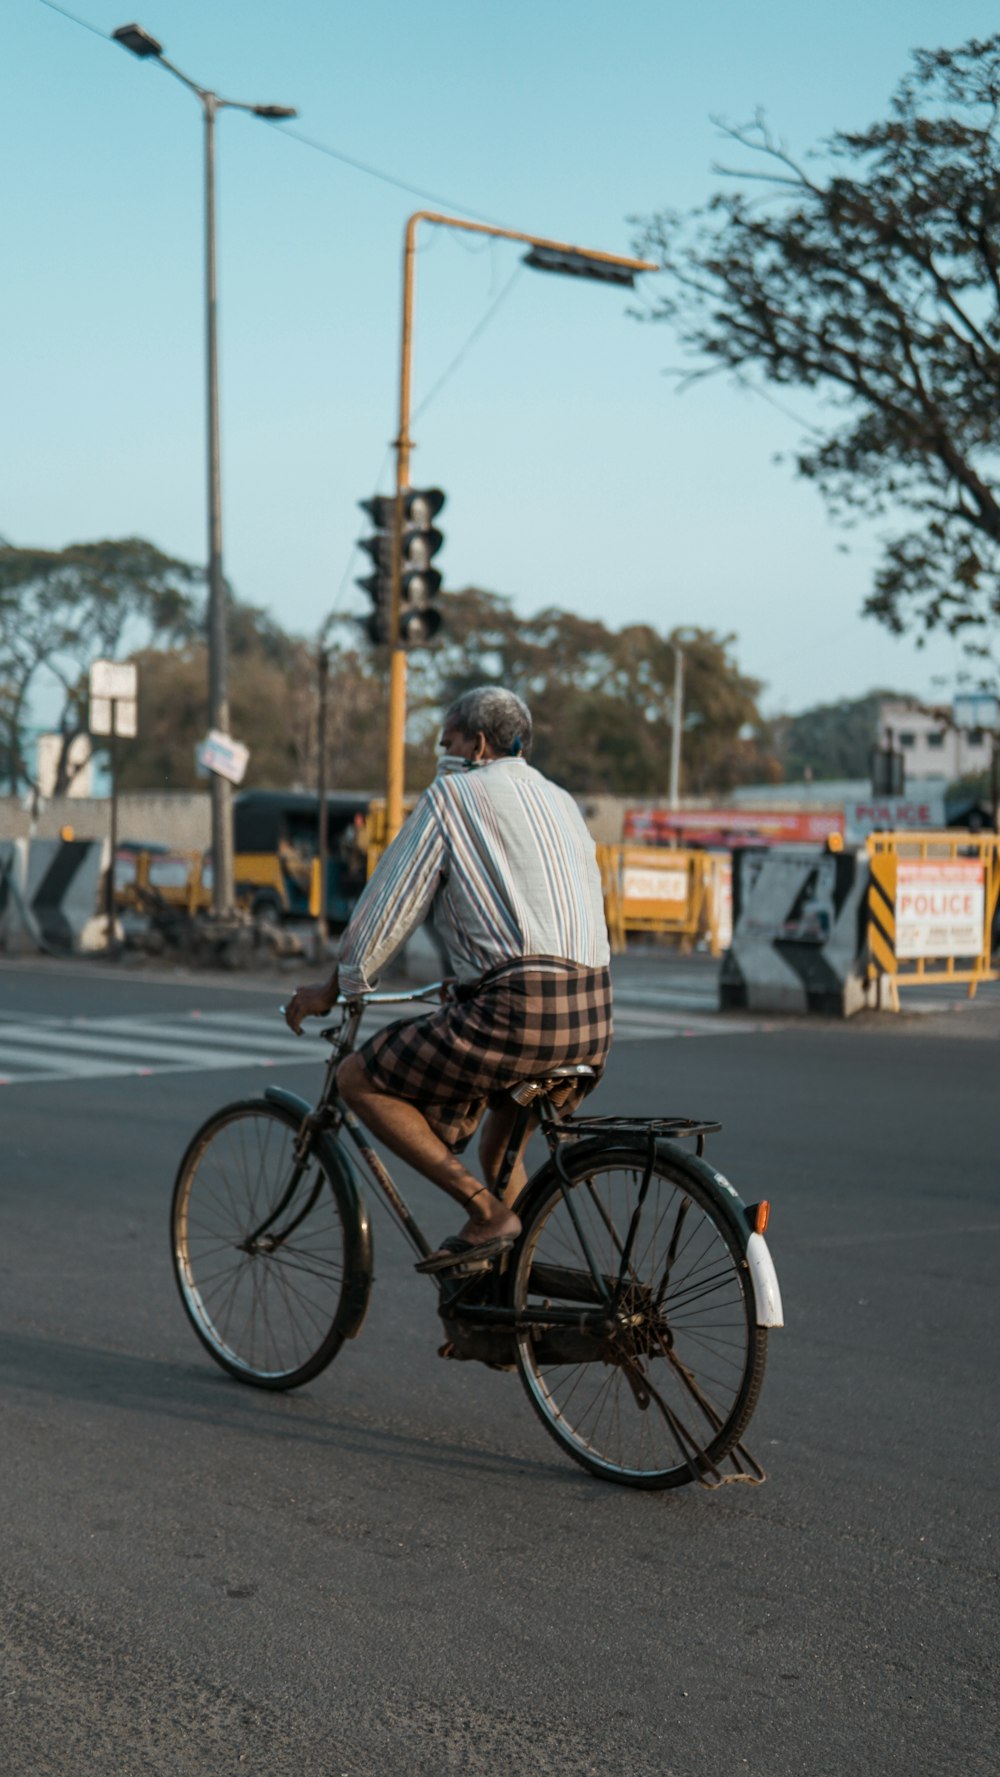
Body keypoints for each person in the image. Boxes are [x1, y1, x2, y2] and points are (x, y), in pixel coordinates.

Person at [284, 686, 612, 1274]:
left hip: (519, 1015)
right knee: (498, 1151)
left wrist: (338, 984)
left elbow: (389, 905)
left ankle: (486, 1215)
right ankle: (510, 1299)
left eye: (449, 741)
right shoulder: (563, 801)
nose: (443, 752)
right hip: (592, 1015)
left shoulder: (454, 795)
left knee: (360, 1078)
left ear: (478, 744)